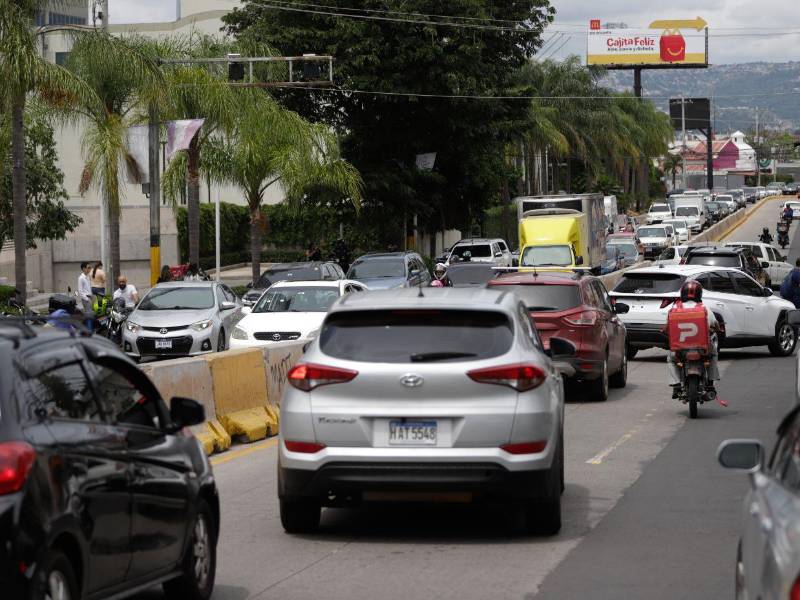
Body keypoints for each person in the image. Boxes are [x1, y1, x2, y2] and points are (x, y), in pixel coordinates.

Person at [667, 280, 720, 399]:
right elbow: (715, 324)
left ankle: (676, 384)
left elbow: (668, 326)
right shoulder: (704, 308)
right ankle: (711, 383)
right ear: (699, 294)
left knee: (671, 359)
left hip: (680, 350)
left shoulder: (674, 308)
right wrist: (717, 328)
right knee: (713, 355)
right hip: (702, 349)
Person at [77, 262, 94, 331]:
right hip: (86, 299)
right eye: (88, 268)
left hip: (89, 298)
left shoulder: (87, 277)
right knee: (89, 315)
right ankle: (89, 331)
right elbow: (80, 291)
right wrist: (87, 299)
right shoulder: (81, 278)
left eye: (90, 267)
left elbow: (88, 288)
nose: (89, 269)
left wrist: (91, 297)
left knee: (89, 315)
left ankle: (86, 330)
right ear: (83, 268)